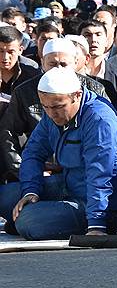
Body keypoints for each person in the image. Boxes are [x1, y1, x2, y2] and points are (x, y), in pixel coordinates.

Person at [0, 68, 117, 239]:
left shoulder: (100, 121)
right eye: (45, 107)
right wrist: (30, 191)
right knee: (4, 196)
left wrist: (96, 225)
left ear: (77, 95)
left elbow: (100, 176)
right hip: (69, 184)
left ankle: (59, 219)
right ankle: (42, 216)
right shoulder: (53, 113)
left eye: (57, 106)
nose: (51, 113)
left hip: (103, 201)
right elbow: (33, 152)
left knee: (27, 221)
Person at [0, 39, 110, 183]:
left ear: (75, 62)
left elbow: (105, 139)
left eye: (64, 64)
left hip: (82, 173)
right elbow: (8, 133)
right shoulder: (24, 92)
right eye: (52, 64)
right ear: (42, 61)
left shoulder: (94, 89)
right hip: (40, 169)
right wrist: (24, 171)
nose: (58, 69)